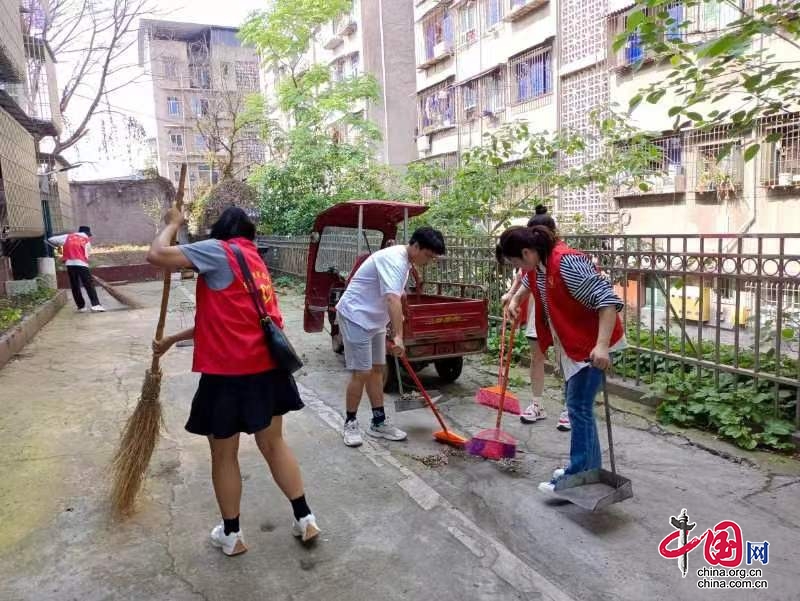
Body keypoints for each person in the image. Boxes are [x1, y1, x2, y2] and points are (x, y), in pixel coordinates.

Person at [147, 206, 320, 556]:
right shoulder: (253, 260)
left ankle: (232, 535)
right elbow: (225, 319)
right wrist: (170, 340)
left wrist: (173, 225)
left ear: (219, 233)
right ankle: (306, 519)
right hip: (269, 371)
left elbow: (157, 255)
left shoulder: (218, 250)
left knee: (223, 455)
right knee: (274, 445)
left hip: (228, 376)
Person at [498, 225, 625, 495]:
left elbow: (607, 300)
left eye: (515, 261)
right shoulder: (538, 264)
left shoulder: (567, 263)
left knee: (578, 407)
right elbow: (529, 281)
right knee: (580, 407)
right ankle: (587, 469)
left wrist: (602, 346)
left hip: (594, 342)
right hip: (573, 341)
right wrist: (515, 299)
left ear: (526, 252)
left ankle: (578, 472)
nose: (517, 268)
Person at [336, 227, 446, 447]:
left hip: (374, 319)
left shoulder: (405, 261)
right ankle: (350, 423)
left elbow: (399, 295)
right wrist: (398, 337)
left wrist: (397, 326)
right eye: (428, 255)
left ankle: (378, 423)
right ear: (416, 246)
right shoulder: (394, 259)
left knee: (378, 370)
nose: (429, 260)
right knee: (362, 372)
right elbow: (392, 299)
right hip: (356, 315)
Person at [500, 206, 570, 430]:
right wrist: (513, 297)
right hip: (537, 310)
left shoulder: (561, 258)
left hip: (559, 314)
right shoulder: (530, 258)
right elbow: (525, 277)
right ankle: (537, 403)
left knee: (567, 359)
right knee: (536, 356)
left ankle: (570, 407)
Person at [47, 226, 105, 312]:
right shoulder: (86, 240)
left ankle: (81, 307)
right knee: (88, 285)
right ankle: (95, 305)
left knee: (75, 285)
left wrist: (60, 247)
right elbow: (86, 255)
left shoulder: (68, 236)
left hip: (70, 264)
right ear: (87, 234)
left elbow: (51, 239)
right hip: (82, 264)